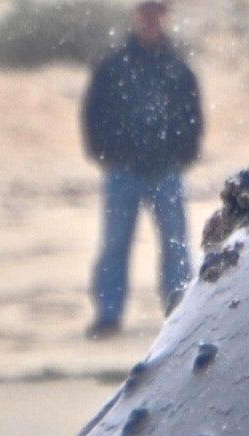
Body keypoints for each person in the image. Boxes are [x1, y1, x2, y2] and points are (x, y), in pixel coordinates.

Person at [79, 0, 203, 339]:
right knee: (115, 244)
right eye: (145, 14)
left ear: (165, 18)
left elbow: (192, 113)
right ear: (136, 17)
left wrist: (185, 152)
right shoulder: (113, 65)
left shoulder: (177, 67)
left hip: (166, 170)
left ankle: (181, 312)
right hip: (123, 171)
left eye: (157, 14)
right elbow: (93, 111)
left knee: (175, 245)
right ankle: (108, 316)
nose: (150, 21)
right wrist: (102, 151)